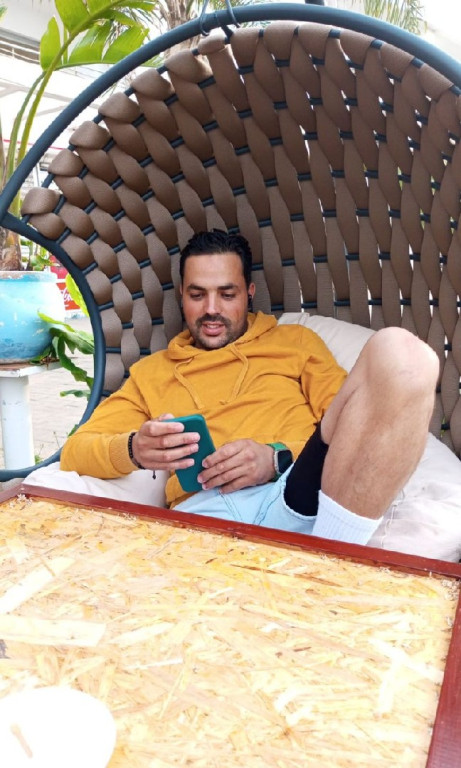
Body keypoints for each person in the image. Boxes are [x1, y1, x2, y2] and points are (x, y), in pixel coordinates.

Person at [60, 229, 439, 545]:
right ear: (182, 296)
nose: (212, 309)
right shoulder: (152, 372)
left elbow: (354, 429)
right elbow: (75, 451)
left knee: (404, 353)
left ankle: (334, 556)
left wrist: (275, 460)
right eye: (197, 295)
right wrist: (134, 449)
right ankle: (327, 562)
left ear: (249, 292)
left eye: (227, 294)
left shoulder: (295, 343)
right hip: (204, 515)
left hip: (298, 495)